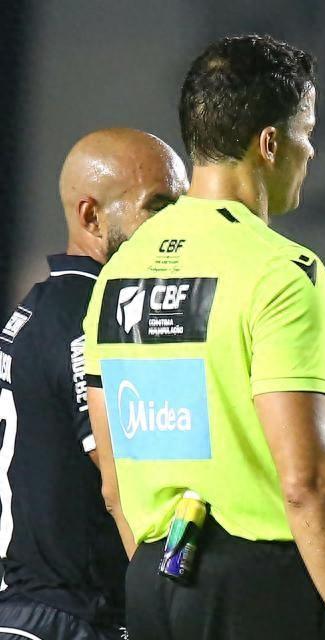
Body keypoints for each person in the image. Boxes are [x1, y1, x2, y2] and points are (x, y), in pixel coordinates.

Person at [83, 35, 325, 640]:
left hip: (153, 580)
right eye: (307, 131)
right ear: (270, 144)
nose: (312, 150)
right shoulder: (281, 271)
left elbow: (114, 485)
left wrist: (168, 585)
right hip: (260, 586)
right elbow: (307, 484)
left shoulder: (119, 274)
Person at [0, 127, 188, 639]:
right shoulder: (92, 317)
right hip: (69, 619)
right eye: (160, 207)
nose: (180, 227)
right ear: (91, 216)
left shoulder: (47, 305)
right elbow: (122, 476)